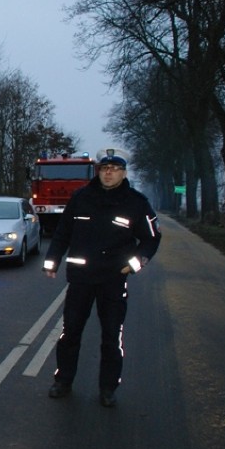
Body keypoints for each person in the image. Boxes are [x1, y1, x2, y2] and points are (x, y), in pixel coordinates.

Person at [42, 148, 161, 408]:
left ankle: (108, 388)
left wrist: (135, 264)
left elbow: (151, 238)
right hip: (80, 279)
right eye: (104, 168)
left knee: (111, 336)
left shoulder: (136, 202)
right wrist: (52, 261)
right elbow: (63, 232)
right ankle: (63, 381)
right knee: (70, 332)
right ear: (98, 171)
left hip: (113, 280)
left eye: (115, 169)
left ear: (123, 173)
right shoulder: (81, 198)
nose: (108, 173)